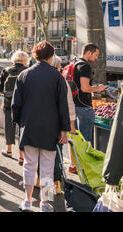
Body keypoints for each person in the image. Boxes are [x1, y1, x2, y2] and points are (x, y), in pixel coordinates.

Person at [12, 41, 70, 212]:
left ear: (34, 55)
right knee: (47, 167)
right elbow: (63, 106)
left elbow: (16, 104)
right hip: (50, 129)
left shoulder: (24, 75)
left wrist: (19, 124)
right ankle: (45, 202)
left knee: (29, 164)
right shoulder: (57, 76)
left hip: (29, 126)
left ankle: (27, 200)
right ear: (51, 56)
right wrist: (64, 129)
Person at [50, 55, 77, 194]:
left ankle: (44, 188)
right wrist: (70, 126)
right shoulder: (61, 80)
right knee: (56, 154)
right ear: (58, 66)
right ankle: (56, 184)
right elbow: (69, 105)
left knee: (42, 157)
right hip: (57, 125)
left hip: (39, 125)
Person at [0, 50, 29, 165]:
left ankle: (9, 150)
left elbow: (1, 89)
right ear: (25, 60)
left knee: (9, 126)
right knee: (22, 128)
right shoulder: (27, 71)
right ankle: (22, 156)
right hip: (23, 105)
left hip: (8, 104)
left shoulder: (6, 71)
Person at [73, 43, 106, 143]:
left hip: (75, 105)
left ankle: (78, 159)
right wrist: (98, 88)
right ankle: (85, 159)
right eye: (95, 55)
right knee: (86, 142)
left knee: (77, 141)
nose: (96, 58)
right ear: (88, 53)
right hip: (84, 107)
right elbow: (85, 88)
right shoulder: (85, 66)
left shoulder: (76, 63)